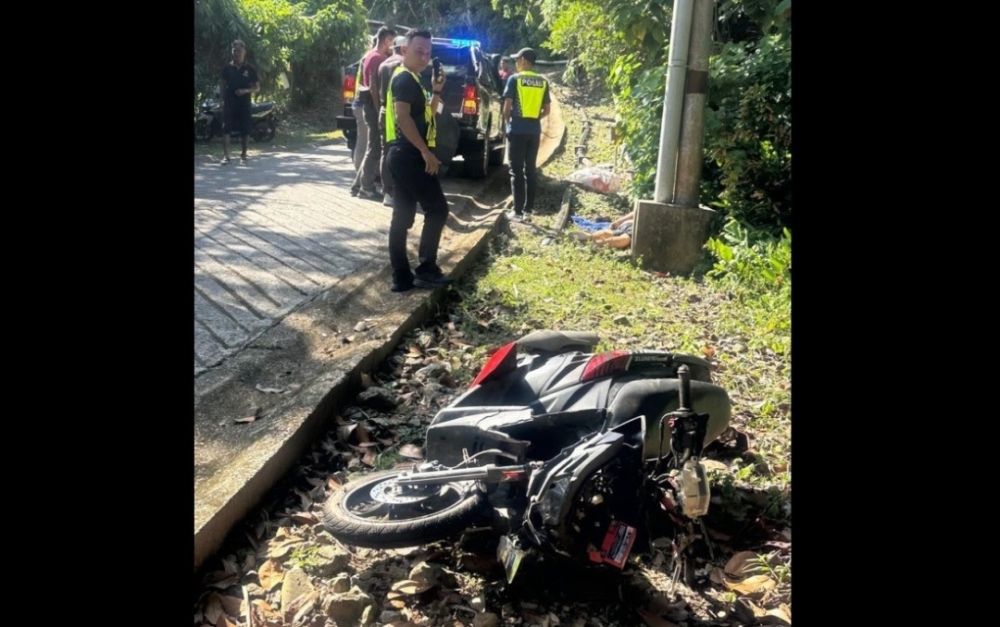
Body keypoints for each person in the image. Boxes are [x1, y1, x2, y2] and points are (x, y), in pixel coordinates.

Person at [384, 28, 453, 293]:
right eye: (419, 51)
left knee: (401, 218)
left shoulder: (414, 79)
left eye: (428, 53)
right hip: (409, 154)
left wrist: (436, 91)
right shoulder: (404, 79)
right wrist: (425, 152)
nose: (425, 58)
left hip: (402, 154)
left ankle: (401, 277)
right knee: (437, 209)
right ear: (404, 50)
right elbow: (403, 117)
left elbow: (427, 115)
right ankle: (426, 269)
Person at [502, 47, 550, 221]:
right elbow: (547, 110)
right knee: (530, 170)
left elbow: (507, 106)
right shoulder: (543, 82)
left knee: (516, 171)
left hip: (517, 131)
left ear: (523, 60)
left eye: (516, 60)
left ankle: (517, 212)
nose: (515, 64)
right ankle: (528, 211)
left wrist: (508, 123)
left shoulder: (515, 79)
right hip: (534, 131)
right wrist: (535, 117)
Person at [351, 27, 397, 199]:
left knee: (373, 147)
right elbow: (374, 88)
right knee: (374, 148)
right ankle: (367, 188)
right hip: (373, 108)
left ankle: (358, 185)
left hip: (370, 107)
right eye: (393, 42)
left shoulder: (371, 55)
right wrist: (380, 113)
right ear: (386, 41)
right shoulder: (377, 58)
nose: (394, 46)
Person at [375, 35, 406, 207]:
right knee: (401, 152)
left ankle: (387, 192)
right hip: (398, 112)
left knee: (385, 152)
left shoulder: (383, 65)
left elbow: (377, 89)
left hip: (383, 111)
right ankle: (399, 191)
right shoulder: (402, 64)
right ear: (404, 48)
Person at [220, 40, 260, 165]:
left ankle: (243, 155)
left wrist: (245, 90)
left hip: (244, 102)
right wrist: (221, 100)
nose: (237, 53)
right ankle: (226, 156)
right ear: (232, 52)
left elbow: (257, 87)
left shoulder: (249, 69)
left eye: (239, 51)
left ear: (244, 52)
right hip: (229, 102)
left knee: (245, 128)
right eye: (235, 51)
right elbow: (222, 85)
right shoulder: (226, 68)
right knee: (226, 128)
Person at [570, 212, 634, 249]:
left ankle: (590, 241)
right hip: (631, 226)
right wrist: (618, 222)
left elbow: (636, 212)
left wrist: (619, 222)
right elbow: (636, 212)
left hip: (630, 226)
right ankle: (592, 242)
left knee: (612, 235)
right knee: (622, 238)